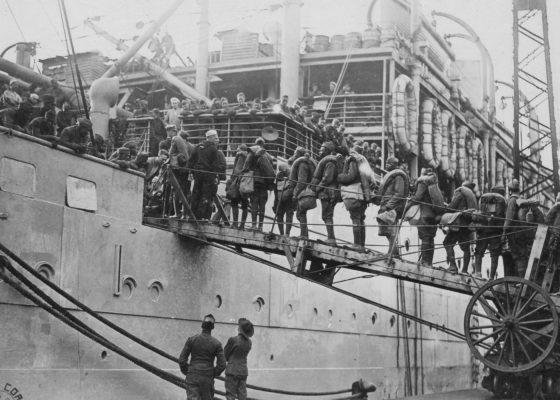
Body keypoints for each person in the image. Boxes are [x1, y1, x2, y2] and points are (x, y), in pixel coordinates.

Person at [179, 314, 226, 400]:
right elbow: (222, 364)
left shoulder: (191, 340)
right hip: (207, 378)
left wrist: (188, 372)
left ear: (202, 325)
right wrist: (212, 374)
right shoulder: (217, 344)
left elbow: (182, 360)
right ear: (212, 327)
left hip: (192, 376)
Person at [408, 168, 445, 268]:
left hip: (424, 214)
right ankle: (429, 262)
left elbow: (418, 197)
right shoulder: (433, 183)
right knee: (430, 238)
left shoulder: (422, 182)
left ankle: (424, 262)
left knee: (424, 237)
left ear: (423, 174)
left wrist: (409, 202)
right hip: (434, 215)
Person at [374, 156, 408, 259]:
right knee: (387, 229)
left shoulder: (398, 176)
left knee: (391, 230)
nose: (387, 165)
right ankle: (394, 251)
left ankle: (392, 252)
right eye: (386, 163)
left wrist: (389, 206)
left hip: (392, 206)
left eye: (389, 163)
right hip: (387, 204)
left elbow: (399, 193)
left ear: (395, 165)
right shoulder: (392, 175)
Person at [189, 130, 226, 220]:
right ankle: (204, 217)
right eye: (215, 137)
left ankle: (193, 216)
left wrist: (192, 172)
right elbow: (215, 164)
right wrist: (216, 175)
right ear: (211, 137)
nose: (216, 139)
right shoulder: (213, 148)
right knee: (206, 196)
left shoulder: (197, 147)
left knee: (196, 194)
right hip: (208, 175)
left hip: (198, 174)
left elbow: (191, 161)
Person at [442, 181, 477, 274]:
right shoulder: (471, 197)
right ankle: (465, 270)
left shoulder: (460, 193)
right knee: (466, 247)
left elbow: (452, 207)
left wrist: (445, 207)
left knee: (447, 242)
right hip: (467, 224)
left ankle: (453, 266)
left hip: (458, 223)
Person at [473, 186, 507, 279]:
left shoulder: (484, 197)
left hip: (483, 229)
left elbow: (480, 212)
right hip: (496, 231)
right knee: (494, 255)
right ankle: (491, 278)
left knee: (479, 252)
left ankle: (478, 273)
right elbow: (504, 216)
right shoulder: (502, 200)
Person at [338, 147, 367, 250]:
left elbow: (351, 176)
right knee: (361, 219)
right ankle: (361, 245)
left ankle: (356, 244)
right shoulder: (362, 160)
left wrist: (339, 176)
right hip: (362, 194)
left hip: (355, 193)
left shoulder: (352, 160)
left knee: (355, 218)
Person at [243, 138, 275, 231]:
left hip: (255, 181)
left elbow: (246, 166)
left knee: (254, 203)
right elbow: (271, 169)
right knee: (262, 206)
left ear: (255, 143)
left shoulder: (253, 151)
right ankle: (260, 227)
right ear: (263, 145)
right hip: (265, 183)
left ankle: (254, 225)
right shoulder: (268, 156)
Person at [311, 142, 339, 244]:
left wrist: (318, 188)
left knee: (327, 215)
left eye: (323, 149)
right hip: (328, 191)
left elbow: (327, 178)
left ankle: (331, 238)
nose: (320, 151)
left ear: (328, 151)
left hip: (328, 192)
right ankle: (331, 237)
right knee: (326, 215)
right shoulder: (329, 161)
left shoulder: (330, 162)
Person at [289, 147, 316, 238]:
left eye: (296, 154)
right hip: (306, 190)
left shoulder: (302, 164)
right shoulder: (305, 162)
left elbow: (302, 181)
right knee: (301, 213)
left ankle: (303, 235)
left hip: (304, 192)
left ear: (300, 155)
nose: (294, 156)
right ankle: (305, 235)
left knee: (300, 213)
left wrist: (295, 194)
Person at [224, 318, 254, 400]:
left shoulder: (233, 340)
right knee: (242, 396)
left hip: (232, 371)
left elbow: (225, 356)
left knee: (230, 396)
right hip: (243, 371)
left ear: (240, 329)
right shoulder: (249, 342)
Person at [169, 130, 195, 218]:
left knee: (176, 191)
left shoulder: (176, 142)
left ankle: (177, 213)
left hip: (178, 171)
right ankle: (185, 214)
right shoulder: (192, 146)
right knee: (187, 192)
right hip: (188, 172)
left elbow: (170, 154)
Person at [226, 144, 250, 229]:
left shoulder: (240, 156)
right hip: (246, 183)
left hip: (238, 182)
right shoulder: (248, 156)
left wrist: (232, 180)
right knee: (245, 204)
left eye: (237, 149)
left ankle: (235, 224)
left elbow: (237, 170)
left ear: (240, 150)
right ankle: (242, 225)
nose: (236, 151)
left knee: (234, 203)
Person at [274, 162, 295, 235]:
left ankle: (286, 233)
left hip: (288, 197)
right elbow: (275, 189)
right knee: (280, 215)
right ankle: (282, 233)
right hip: (280, 197)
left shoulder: (291, 173)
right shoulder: (279, 174)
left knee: (288, 214)